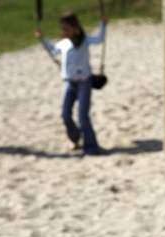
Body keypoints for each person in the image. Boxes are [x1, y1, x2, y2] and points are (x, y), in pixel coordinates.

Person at [35, 13, 107, 155]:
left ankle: (91, 147)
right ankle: (75, 138)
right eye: (62, 29)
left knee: (82, 116)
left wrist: (103, 25)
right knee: (65, 114)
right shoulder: (64, 43)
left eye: (66, 29)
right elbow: (53, 49)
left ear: (75, 28)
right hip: (69, 82)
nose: (63, 32)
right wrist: (42, 38)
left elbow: (99, 39)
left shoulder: (85, 40)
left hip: (84, 83)